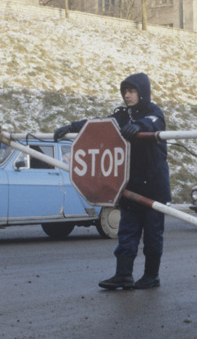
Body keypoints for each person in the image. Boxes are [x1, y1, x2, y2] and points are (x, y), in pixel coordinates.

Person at [53, 73, 170, 290]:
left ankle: (151, 276)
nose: (127, 95)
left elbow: (153, 123)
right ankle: (123, 275)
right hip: (129, 185)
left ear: (142, 92)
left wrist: (140, 127)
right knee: (127, 232)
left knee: (153, 235)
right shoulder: (122, 116)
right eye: (125, 91)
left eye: (132, 91)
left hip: (154, 187)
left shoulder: (154, 113)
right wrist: (72, 127)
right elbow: (97, 125)